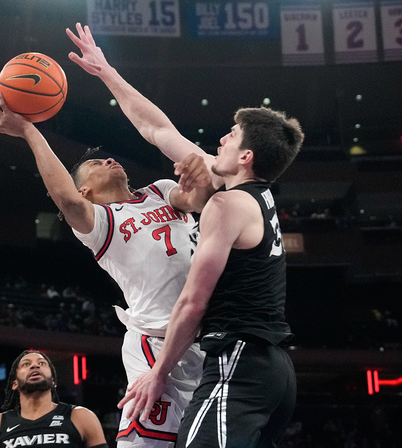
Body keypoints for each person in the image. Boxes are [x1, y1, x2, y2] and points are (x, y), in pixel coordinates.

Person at [0, 79, 212, 446]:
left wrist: (200, 175)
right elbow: (64, 198)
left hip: (209, 338)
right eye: (96, 163)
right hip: (155, 344)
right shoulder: (101, 222)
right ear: (84, 190)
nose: (110, 159)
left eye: (108, 158)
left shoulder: (158, 191)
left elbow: (201, 198)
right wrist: (29, 130)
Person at [117, 107, 304, 447]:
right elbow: (158, 129)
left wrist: (159, 373)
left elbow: (192, 303)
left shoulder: (227, 204)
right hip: (274, 371)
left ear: (245, 156)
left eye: (231, 135)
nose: (221, 139)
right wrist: (104, 72)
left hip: (239, 362)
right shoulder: (254, 195)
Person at [0, 350, 108, 448]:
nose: (35, 366)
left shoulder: (81, 416)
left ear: (53, 382)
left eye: (41, 363)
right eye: (26, 364)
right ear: (14, 383)